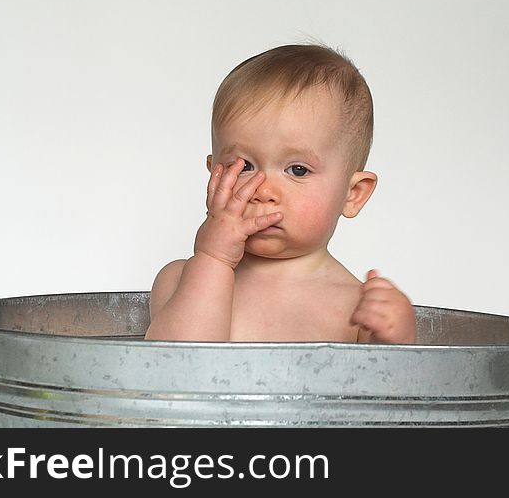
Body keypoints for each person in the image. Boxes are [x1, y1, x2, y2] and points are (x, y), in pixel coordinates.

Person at [145, 44, 416, 344]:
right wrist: (213, 259)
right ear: (214, 174)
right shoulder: (180, 281)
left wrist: (396, 341)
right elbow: (174, 370)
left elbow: (384, 388)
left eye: (297, 170)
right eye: (244, 166)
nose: (263, 192)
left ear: (352, 194)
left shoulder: (358, 310)